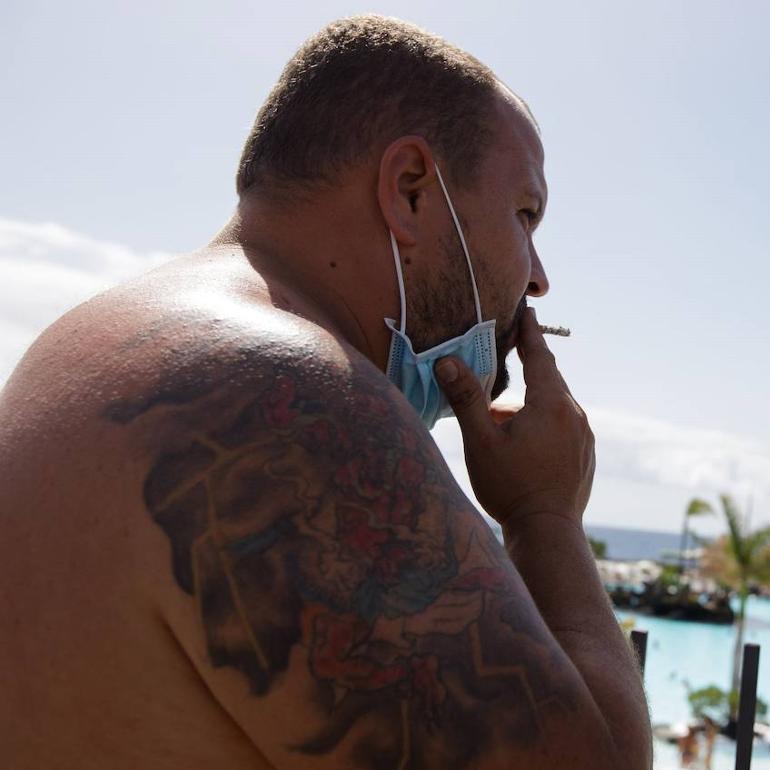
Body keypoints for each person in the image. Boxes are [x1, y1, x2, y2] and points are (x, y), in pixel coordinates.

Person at [0, 15, 650, 770]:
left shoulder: (97, 343)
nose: (538, 278)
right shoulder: (278, 394)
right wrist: (545, 516)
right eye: (525, 215)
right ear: (411, 191)